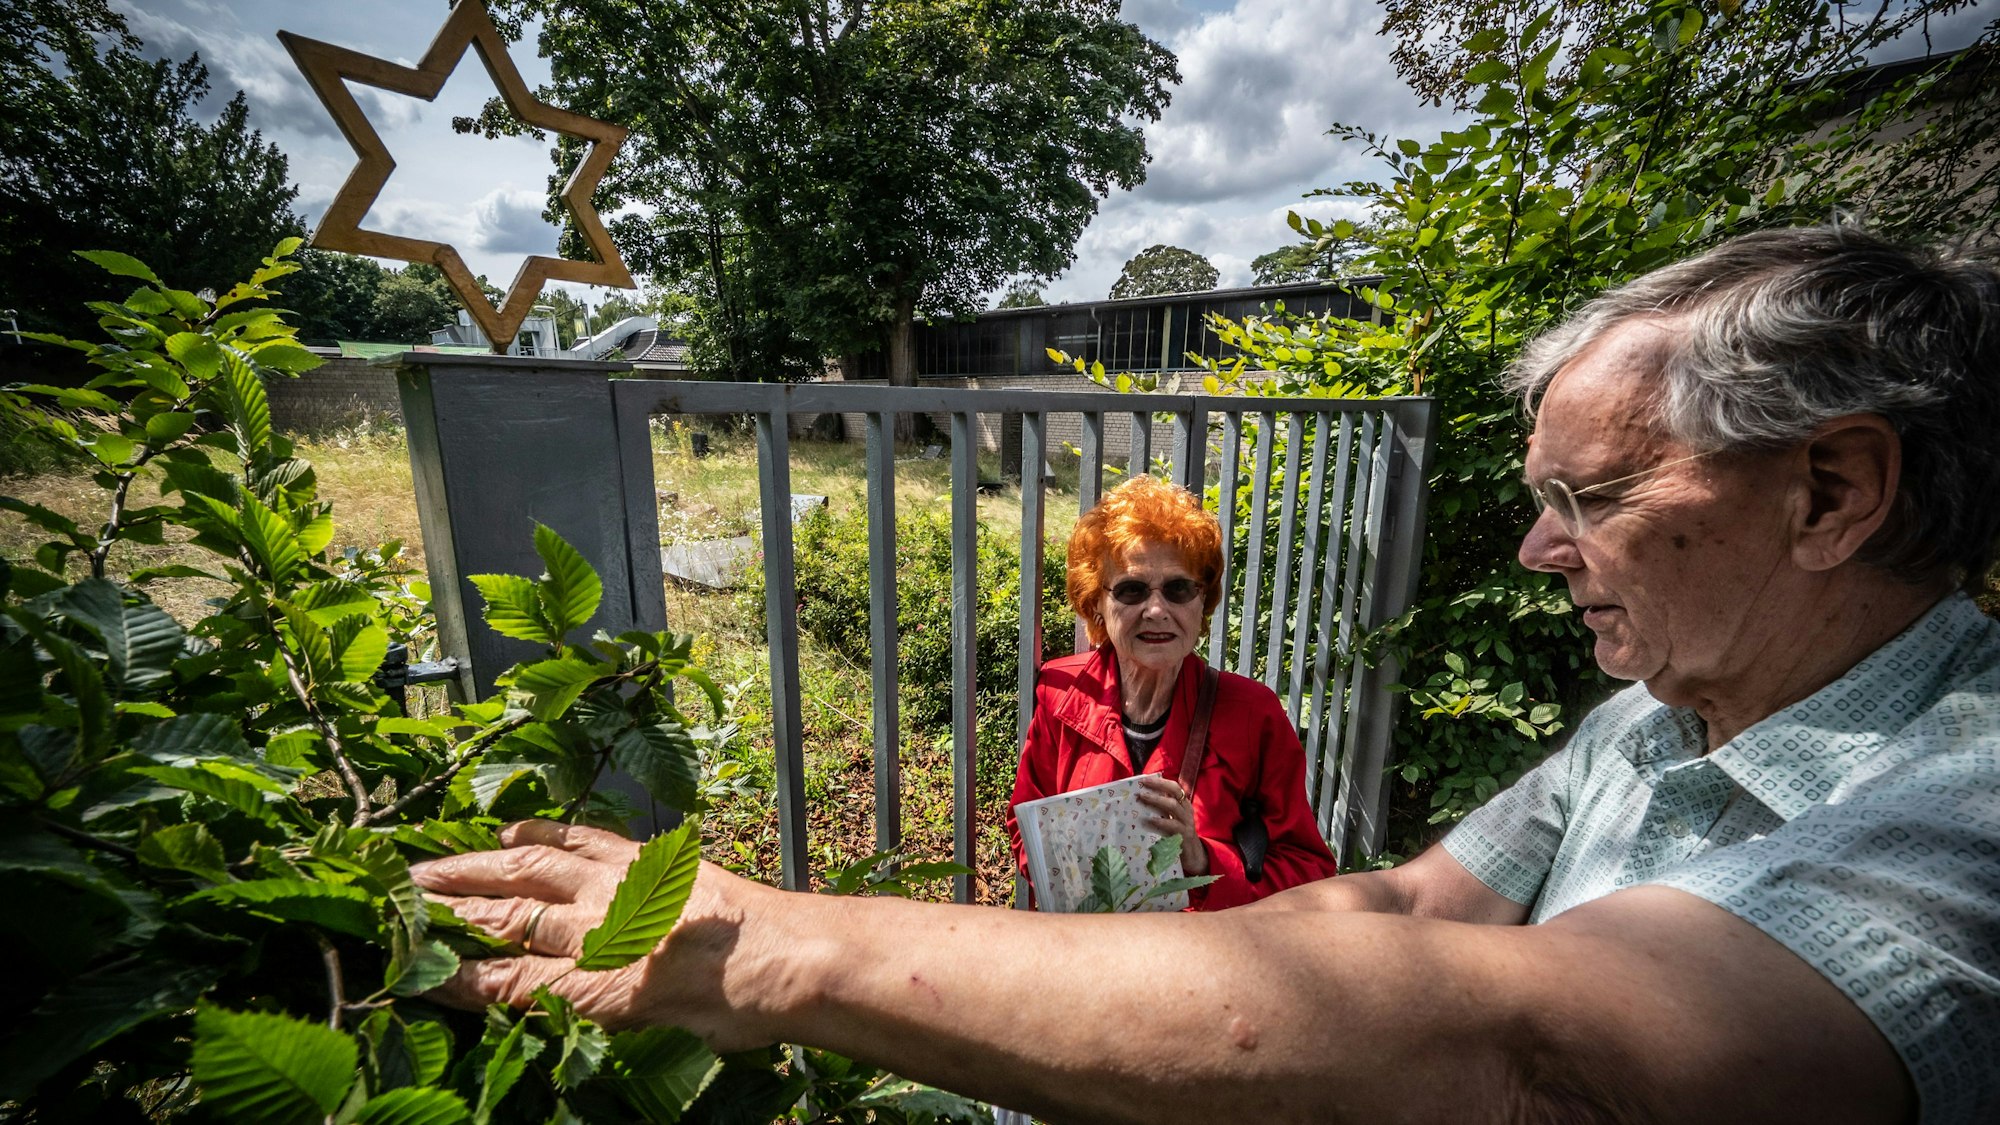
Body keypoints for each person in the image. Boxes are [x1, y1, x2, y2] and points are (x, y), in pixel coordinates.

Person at [412, 226, 2000, 1123]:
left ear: (1832, 493)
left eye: (1586, 497)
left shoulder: (1967, 808)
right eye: (1133, 593)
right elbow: (1402, 908)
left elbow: (1515, 1033)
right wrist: (1057, 973)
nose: (1537, 547)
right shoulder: (1644, 724)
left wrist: (782, 946)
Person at [1008, 474, 1338, 910]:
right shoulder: (1062, 692)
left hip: (1197, 948)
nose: (1157, 610)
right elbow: (1026, 828)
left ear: (1203, 602)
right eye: (1131, 590)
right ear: (1097, 604)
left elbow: (1309, 873)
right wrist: (1073, 880)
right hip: (1089, 942)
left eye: (1178, 588)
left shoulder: (1252, 713)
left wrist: (1201, 861)